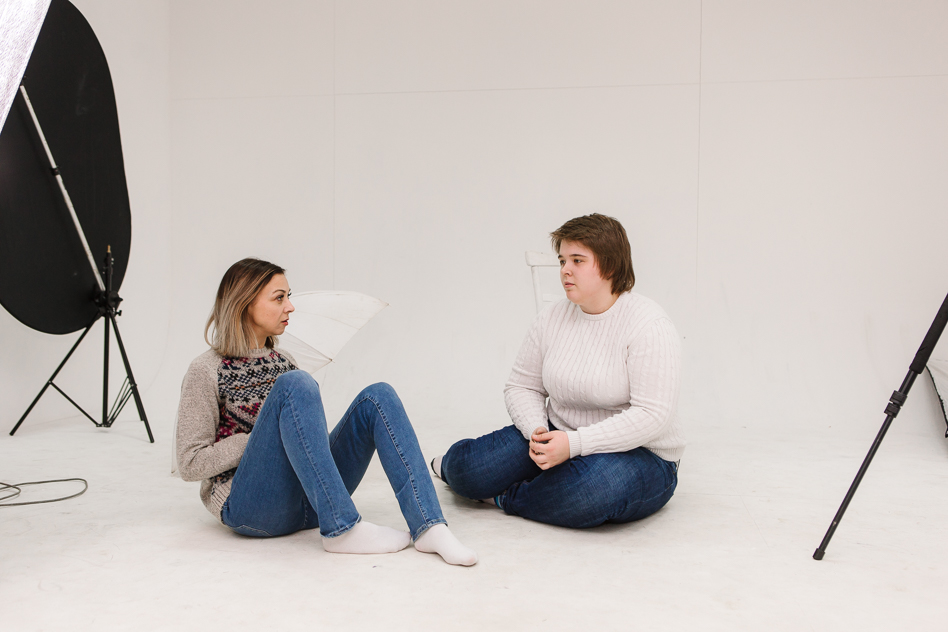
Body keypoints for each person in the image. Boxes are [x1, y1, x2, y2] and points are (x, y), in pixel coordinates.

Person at [175, 258, 476, 566]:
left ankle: (429, 526)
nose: (290, 307)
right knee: (297, 383)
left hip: (310, 504)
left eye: (289, 296)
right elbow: (189, 463)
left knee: (378, 396)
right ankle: (342, 530)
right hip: (252, 509)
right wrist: (256, 440)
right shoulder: (206, 369)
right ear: (245, 303)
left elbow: (305, 445)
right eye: (279, 298)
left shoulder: (285, 360)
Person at [433, 214, 684, 528]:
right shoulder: (551, 318)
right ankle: (538, 488)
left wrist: (574, 445)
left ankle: (506, 498)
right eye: (563, 260)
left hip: (641, 452)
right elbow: (522, 386)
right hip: (557, 432)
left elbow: (652, 415)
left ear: (610, 265)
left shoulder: (649, 324)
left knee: (592, 490)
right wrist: (537, 431)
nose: (565, 269)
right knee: (467, 471)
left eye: (577, 260)